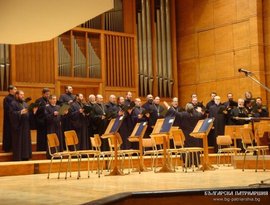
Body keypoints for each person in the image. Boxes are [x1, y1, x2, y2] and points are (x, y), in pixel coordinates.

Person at [10, 90, 37, 161]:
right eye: (21, 95)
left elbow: (29, 114)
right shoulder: (13, 103)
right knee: (19, 141)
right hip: (18, 126)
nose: (23, 96)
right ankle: (18, 157)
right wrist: (20, 112)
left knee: (26, 141)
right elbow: (11, 114)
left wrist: (33, 112)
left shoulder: (25, 104)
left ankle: (26, 156)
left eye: (23, 94)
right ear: (17, 95)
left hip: (26, 125)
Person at [2, 85, 17, 152]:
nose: (16, 90)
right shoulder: (7, 98)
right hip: (9, 119)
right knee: (8, 133)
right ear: (10, 90)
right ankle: (8, 148)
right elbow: (8, 109)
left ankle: (13, 147)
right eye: (15, 89)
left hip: (14, 119)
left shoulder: (15, 98)